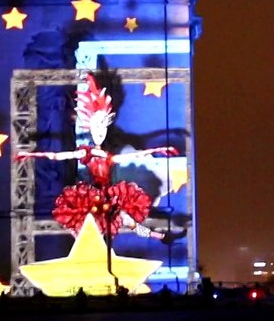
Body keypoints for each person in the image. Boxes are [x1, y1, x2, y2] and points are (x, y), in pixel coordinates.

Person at [15, 73, 179, 241]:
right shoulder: (86, 153)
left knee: (127, 220)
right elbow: (57, 156)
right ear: (90, 127)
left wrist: (157, 150)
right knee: (82, 226)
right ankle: (83, 252)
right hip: (90, 199)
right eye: (97, 126)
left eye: (103, 126)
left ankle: (159, 236)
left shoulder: (109, 157)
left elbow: (133, 156)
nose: (100, 131)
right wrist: (31, 154)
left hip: (109, 198)